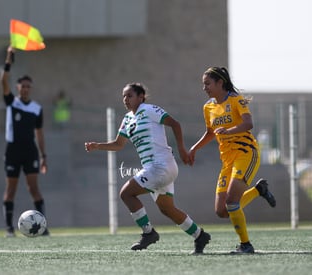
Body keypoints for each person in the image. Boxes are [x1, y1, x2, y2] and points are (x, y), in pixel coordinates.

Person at [85, 83, 211, 254]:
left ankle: (148, 233)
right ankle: (199, 235)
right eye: (124, 96)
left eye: (129, 95)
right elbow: (118, 144)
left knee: (126, 193)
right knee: (167, 209)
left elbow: (175, 124)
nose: (125, 99)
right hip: (155, 168)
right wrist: (97, 146)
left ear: (141, 96)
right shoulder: (128, 118)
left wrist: (182, 149)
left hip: (161, 166)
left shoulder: (149, 109)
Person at [188, 67, 276, 253]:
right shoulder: (208, 107)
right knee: (222, 211)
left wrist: (229, 131)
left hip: (245, 154)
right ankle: (259, 191)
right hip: (227, 160)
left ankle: (246, 245)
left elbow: (248, 123)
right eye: (203, 84)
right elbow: (210, 133)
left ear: (220, 83)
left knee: (232, 201)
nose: (204, 87)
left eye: (207, 83)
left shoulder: (236, 99)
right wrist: (195, 148)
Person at [1, 46, 49, 237]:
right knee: (10, 189)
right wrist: (8, 59)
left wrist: (43, 155)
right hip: (12, 151)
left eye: (29, 86)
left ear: (31, 88)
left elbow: (40, 133)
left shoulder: (37, 108)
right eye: (23, 86)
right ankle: (8, 228)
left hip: (30, 152)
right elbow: (3, 80)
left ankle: (43, 227)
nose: (26, 89)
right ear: (18, 88)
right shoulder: (12, 102)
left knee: (34, 188)